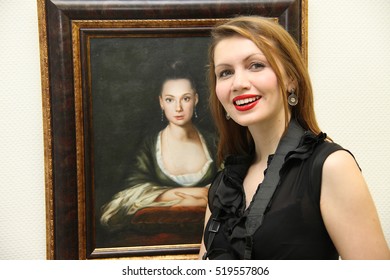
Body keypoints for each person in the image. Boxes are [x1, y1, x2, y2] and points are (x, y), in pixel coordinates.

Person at [199, 16, 390, 260]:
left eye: (256, 65)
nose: (238, 83)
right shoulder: (224, 184)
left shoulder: (331, 166)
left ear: (291, 78)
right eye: (225, 72)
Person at [100, 61, 217, 231]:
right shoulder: (150, 145)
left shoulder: (214, 141)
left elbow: (231, 188)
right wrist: (168, 194)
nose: (178, 108)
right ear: (161, 102)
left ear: (196, 99)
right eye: (170, 100)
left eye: (185, 98)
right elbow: (129, 193)